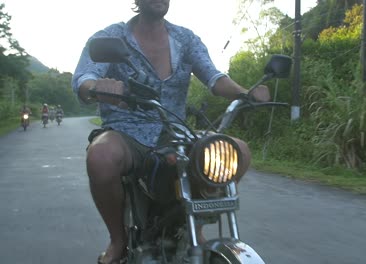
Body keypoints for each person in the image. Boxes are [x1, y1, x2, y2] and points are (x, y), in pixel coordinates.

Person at [71, 1, 270, 263]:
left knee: (237, 150)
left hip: (174, 131)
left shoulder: (185, 39)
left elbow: (214, 77)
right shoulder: (110, 37)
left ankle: (192, 223)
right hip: (125, 130)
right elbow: (83, 79)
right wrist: (98, 86)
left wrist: (245, 92)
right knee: (100, 157)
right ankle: (117, 240)